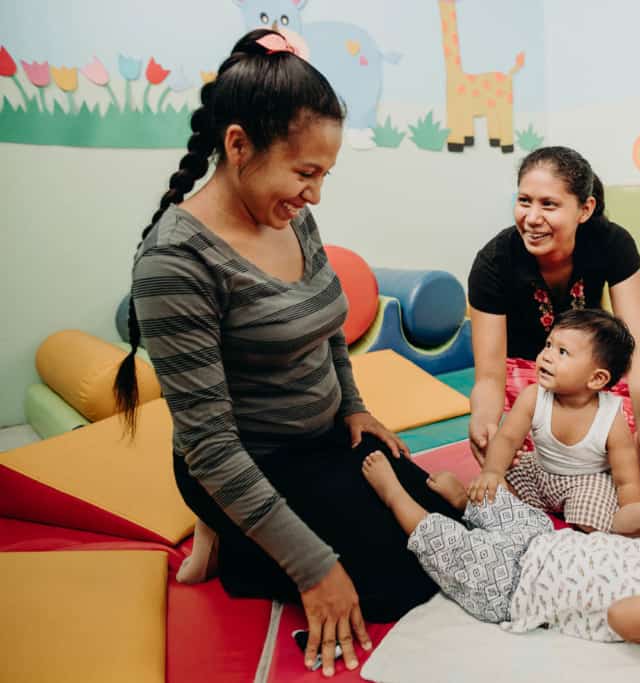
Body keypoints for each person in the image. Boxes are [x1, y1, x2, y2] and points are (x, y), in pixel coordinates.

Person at [112, 29, 462, 676]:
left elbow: (327, 319)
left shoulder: (290, 215)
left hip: (325, 435)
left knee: (444, 536)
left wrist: (354, 407)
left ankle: (255, 534)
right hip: (247, 460)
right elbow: (212, 446)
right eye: (306, 173)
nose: (316, 195)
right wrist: (313, 567)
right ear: (238, 145)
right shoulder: (176, 260)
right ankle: (234, 542)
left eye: (324, 174)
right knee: (396, 586)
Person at [467, 146, 640, 496]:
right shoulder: (492, 263)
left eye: (548, 204)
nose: (532, 218)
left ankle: (589, 455)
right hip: (531, 374)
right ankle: (593, 455)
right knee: (513, 446)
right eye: (524, 201)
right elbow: (489, 377)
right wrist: (484, 421)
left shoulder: (613, 244)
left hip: (592, 367)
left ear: (585, 209)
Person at [361, 451, 640, 641]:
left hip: (514, 591)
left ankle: (395, 497)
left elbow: (621, 616)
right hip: (542, 541)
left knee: (451, 546)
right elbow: (617, 532)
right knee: (516, 511)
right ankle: (468, 502)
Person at [467, 308, 640, 534]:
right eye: (548, 345)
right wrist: (492, 472)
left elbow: (626, 481)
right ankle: (501, 513)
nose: (547, 355)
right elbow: (508, 439)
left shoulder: (610, 418)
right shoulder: (533, 396)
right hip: (538, 471)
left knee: (597, 524)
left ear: (596, 378)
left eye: (562, 352)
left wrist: (636, 517)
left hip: (586, 482)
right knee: (492, 493)